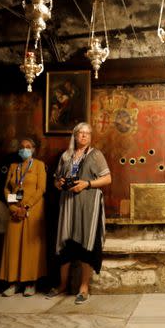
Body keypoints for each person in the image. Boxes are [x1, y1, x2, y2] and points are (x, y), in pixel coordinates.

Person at [47, 123, 111, 304]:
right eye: (80, 133)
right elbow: (55, 181)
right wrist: (58, 184)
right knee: (65, 244)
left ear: (90, 137)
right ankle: (62, 285)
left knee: (86, 245)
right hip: (68, 205)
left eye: (87, 134)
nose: (84, 136)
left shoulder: (96, 155)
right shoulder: (66, 156)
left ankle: (84, 288)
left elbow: (107, 178)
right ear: (74, 136)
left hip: (88, 206)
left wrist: (86, 184)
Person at [0, 137, 47, 297]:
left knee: (30, 247)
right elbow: (7, 189)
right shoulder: (14, 166)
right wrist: (13, 207)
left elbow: (41, 189)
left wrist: (25, 206)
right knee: (13, 246)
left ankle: (30, 283)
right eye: (22, 147)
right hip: (15, 211)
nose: (24, 149)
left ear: (33, 149)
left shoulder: (39, 165)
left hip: (32, 210)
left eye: (28, 147)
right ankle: (13, 282)